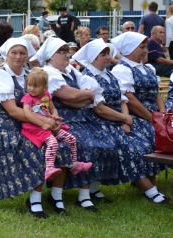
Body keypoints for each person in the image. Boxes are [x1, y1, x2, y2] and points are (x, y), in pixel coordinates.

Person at [0, 37, 71, 217]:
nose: (18, 56)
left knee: (64, 144)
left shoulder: (31, 75)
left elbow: (44, 102)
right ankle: (35, 201)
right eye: (13, 52)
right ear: (6, 55)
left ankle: (56, 196)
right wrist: (45, 123)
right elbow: (13, 111)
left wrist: (52, 118)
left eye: (22, 53)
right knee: (37, 148)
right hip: (4, 124)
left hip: (32, 123)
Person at [74, 38, 169, 204]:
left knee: (141, 145)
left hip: (116, 120)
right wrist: (124, 118)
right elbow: (99, 109)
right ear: (94, 57)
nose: (108, 57)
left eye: (107, 53)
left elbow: (122, 99)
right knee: (132, 148)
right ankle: (151, 191)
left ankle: (95, 188)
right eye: (103, 54)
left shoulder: (109, 74)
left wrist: (125, 120)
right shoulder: (88, 78)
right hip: (99, 122)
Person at [35, 36, 118, 211]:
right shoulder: (49, 72)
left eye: (67, 51)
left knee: (103, 141)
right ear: (51, 56)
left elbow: (91, 94)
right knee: (86, 144)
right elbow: (70, 97)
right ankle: (77, 195)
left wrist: (80, 98)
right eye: (62, 52)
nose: (67, 55)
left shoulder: (72, 71)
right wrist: (83, 96)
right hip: (61, 121)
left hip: (80, 119)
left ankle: (89, 190)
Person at [111, 31, 168, 203]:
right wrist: (152, 118)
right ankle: (150, 190)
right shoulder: (121, 69)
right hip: (135, 116)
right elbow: (130, 99)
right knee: (140, 146)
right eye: (142, 47)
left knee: (158, 142)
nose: (146, 50)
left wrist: (163, 115)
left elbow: (157, 94)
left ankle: (150, 183)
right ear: (129, 49)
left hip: (154, 116)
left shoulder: (148, 68)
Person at [21, 68, 92, 180]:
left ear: (44, 87)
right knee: (53, 142)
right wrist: (42, 124)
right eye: (29, 85)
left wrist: (55, 116)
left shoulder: (46, 95)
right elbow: (27, 113)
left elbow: (53, 108)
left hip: (50, 124)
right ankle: (49, 168)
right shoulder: (28, 98)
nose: (31, 88)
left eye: (35, 86)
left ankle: (74, 164)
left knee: (71, 139)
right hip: (36, 127)